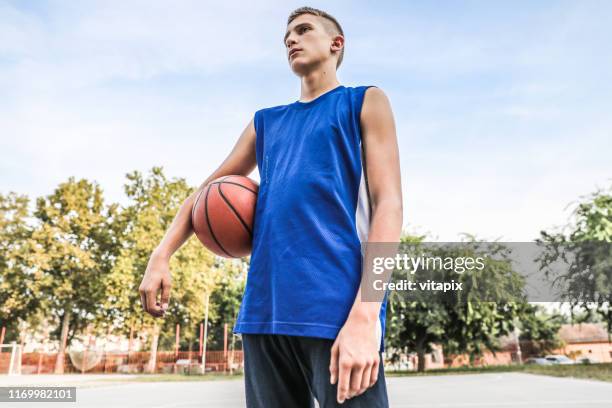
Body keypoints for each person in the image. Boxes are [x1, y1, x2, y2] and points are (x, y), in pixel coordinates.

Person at [139, 6, 402, 407]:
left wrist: (367, 316)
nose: (291, 40)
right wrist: (162, 254)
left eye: (303, 30)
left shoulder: (363, 101)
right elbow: (206, 192)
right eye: (286, 37)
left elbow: (390, 207)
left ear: (336, 44)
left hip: (337, 312)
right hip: (264, 313)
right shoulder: (266, 122)